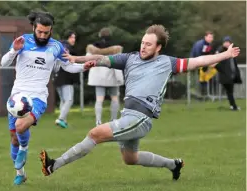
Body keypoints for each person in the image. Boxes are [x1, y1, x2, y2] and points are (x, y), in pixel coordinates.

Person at [39, 24, 240, 180]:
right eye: (143, 42)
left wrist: (226, 54)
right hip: (129, 115)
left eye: (149, 44)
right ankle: (174, 164)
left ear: (158, 47)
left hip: (141, 118)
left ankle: (53, 165)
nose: (143, 47)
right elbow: (101, 58)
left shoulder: (167, 63)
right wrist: (75, 58)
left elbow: (197, 62)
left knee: (95, 133)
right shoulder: (130, 58)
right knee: (130, 159)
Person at [1, 11, 95, 185]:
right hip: (17, 97)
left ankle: (24, 148)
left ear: (51, 30)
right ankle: (20, 173)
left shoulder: (57, 47)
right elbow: (3, 63)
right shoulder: (23, 41)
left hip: (38, 97)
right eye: (40, 32)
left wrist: (83, 67)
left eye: (46, 32)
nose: (43, 36)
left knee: (20, 126)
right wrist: (14, 50)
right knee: (13, 136)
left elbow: (68, 66)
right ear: (34, 28)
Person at [87, 28, 124, 126]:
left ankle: (98, 121)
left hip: (98, 77)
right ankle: (113, 120)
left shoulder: (93, 48)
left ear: (100, 35)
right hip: (112, 77)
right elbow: (118, 63)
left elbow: (87, 60)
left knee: (99, 99)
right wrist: (120, 78)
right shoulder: (115, 48)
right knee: (115, 98)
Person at [53, 30, 79, 128]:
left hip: (57, 76)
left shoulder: (59, 46)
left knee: (63, 100)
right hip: (65, 77)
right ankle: (60, 119)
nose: (74, 39)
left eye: (74, 37)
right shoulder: (66, 48)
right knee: (69, 100)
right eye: (72, 37)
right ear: (67, 37)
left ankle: (63, 121)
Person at [214, 36, 242, 110]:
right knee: (230, 92)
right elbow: (215, 63)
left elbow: (234, 64)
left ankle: (233, 106)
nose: (226, 43)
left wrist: (235, 73)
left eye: (228, 42)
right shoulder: (220, 50)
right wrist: (223, 71)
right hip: (225, 76)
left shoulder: (231, 51)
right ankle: (233, 106)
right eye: (225, 42)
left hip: (231, 75)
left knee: (230, 92)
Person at [190, 31, 216, 97]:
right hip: (196, 63)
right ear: (205, 37)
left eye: (212, 37)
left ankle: (205, 94)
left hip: (203, 64)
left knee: (206, 78)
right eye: (209, 37)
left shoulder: (209, 45)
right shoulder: (200, 44)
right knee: (199, 79)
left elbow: (209, 54)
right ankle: (199, 94)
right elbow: (197, 54)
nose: (211, 39)